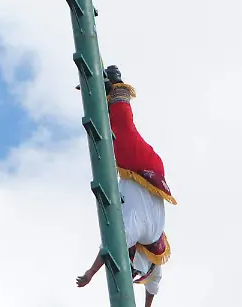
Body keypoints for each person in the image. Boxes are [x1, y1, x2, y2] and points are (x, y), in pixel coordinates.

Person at [75, 65, 174, 305]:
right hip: (145, 169)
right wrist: (91, 273)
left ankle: (108, 96)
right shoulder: (135, 231)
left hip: (141, 173)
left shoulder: (155, 256)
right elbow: (110, 246)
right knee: (124, 135)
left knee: (113, 140)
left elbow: (153, 289)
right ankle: (118, 86)